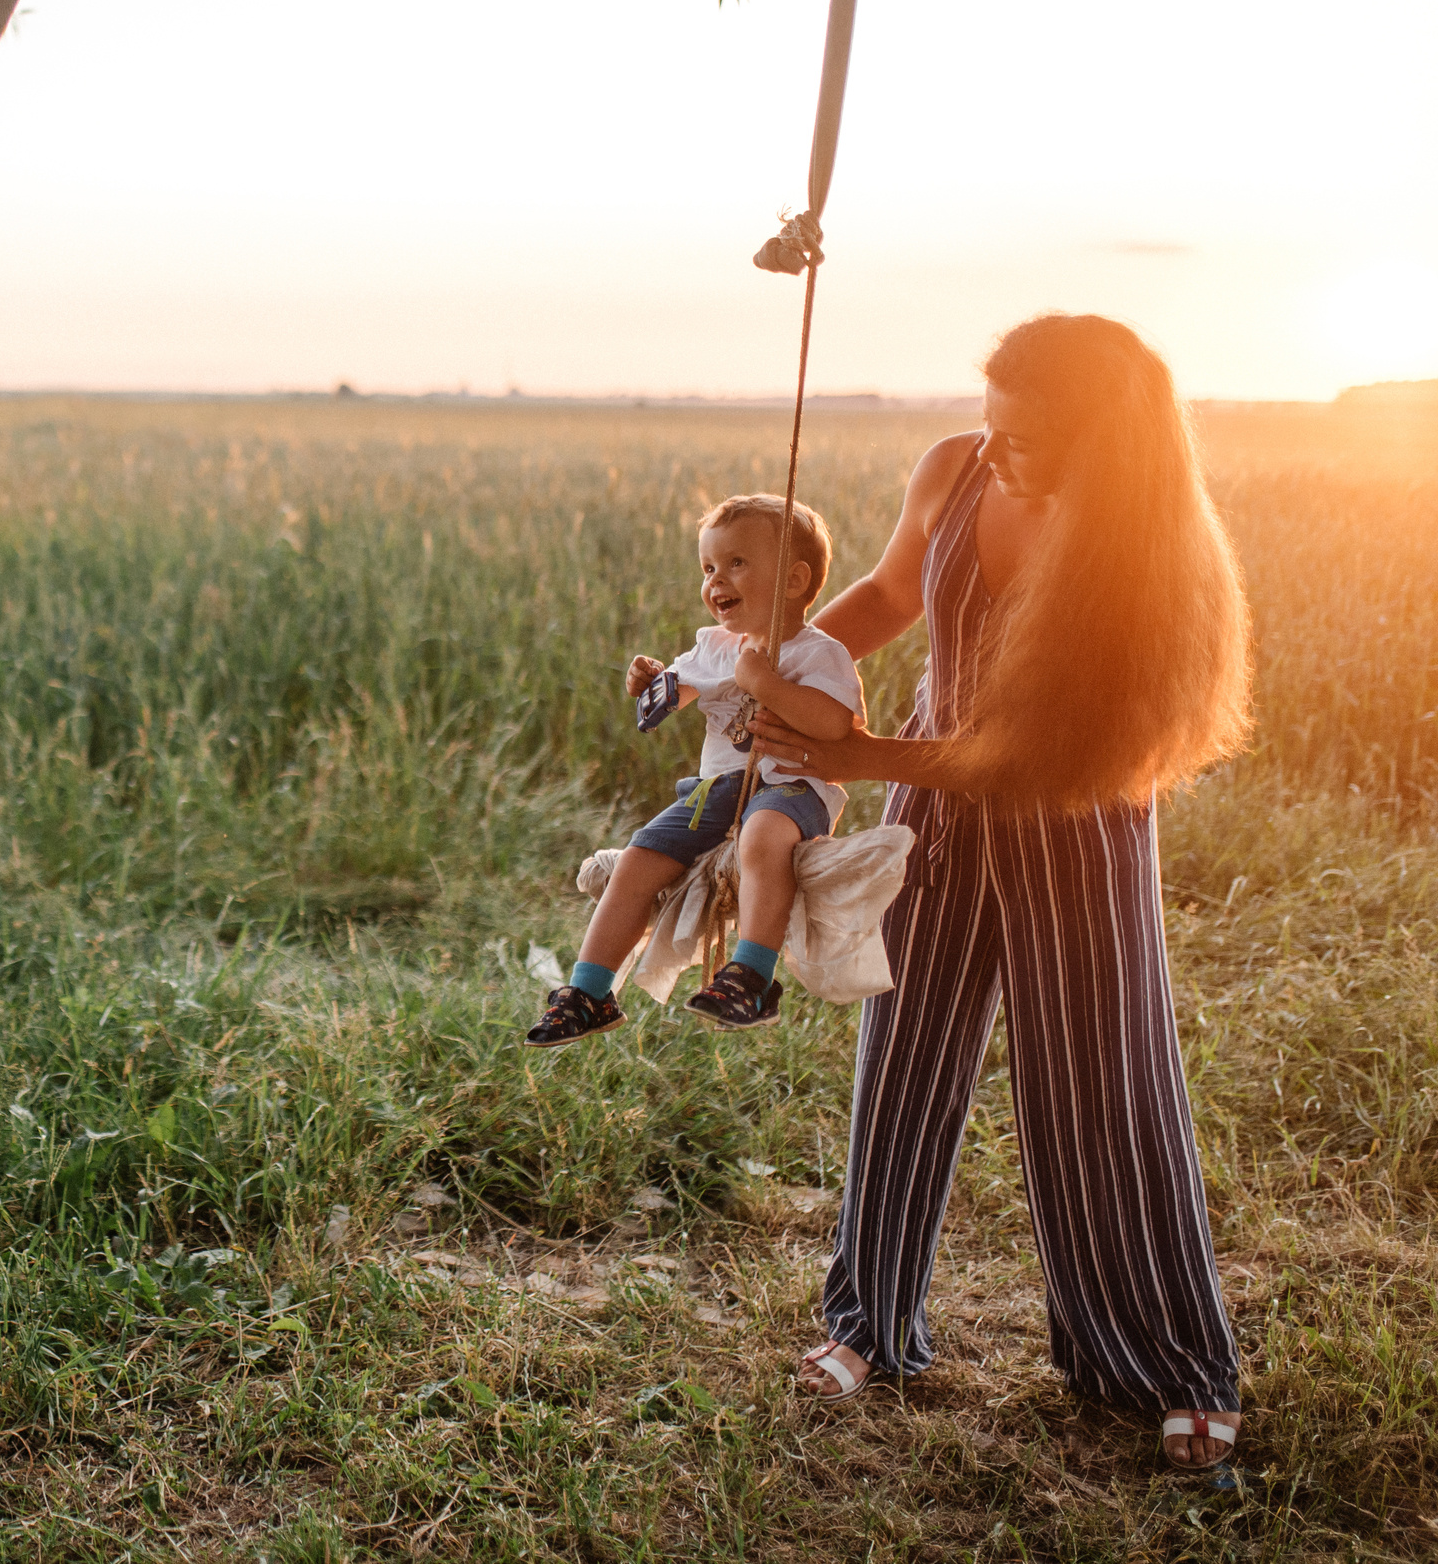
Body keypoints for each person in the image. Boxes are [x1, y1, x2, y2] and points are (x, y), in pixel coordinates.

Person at [752, 314, 1249, 1471]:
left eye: (1024, 438)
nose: (995, 450)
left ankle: (1170, 1363)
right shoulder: (957, 468)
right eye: (990, 424)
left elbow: (1028, 756)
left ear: (1104, 448)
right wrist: (763, 674)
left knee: (1100, 1088)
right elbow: (888, 592)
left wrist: (859, 755)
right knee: (902, 1060)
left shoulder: (1141, 548)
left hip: (1074, 815)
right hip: (932, 802)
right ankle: (867, 1325)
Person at [526, 494, 863, 1041]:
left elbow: (835, 726)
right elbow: (673, 692)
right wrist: (647, 681)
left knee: (762, 837)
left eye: (736, 563)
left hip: (791, 787)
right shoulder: (715, 646)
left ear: (794, 579)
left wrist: (766, 685)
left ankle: (752, 978)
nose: (715, 580)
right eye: (708, 568)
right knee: (638, 857)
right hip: (718, 789)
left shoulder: (818, 653)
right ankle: (589, 992)